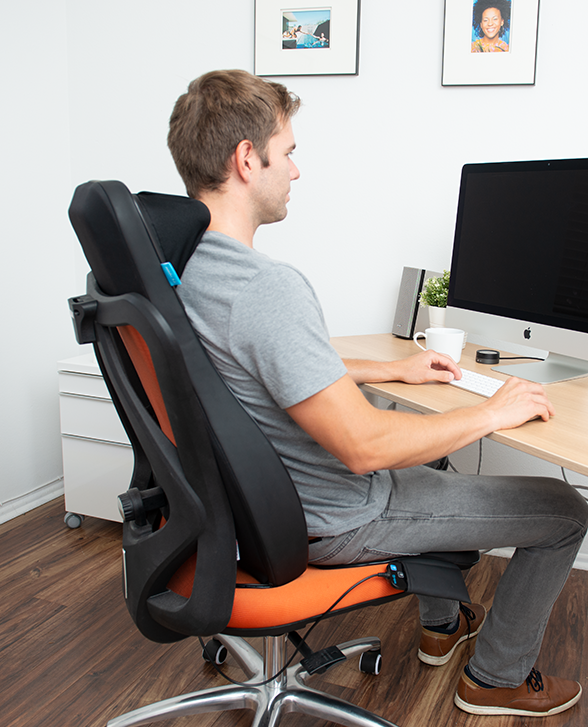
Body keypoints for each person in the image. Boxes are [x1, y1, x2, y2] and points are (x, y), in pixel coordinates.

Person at [167, 69, 588, 718]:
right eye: (290, 151)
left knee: (430, 458)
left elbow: (267, 362)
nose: (296, 171)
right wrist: (492, 410)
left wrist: (389, 371)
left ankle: (440, 628)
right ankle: (495, 677)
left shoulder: (189, 270)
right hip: (339, 512)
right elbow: (364, 447)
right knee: (563, 510)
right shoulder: (266, 287)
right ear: (247, 159)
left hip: (258, 507)